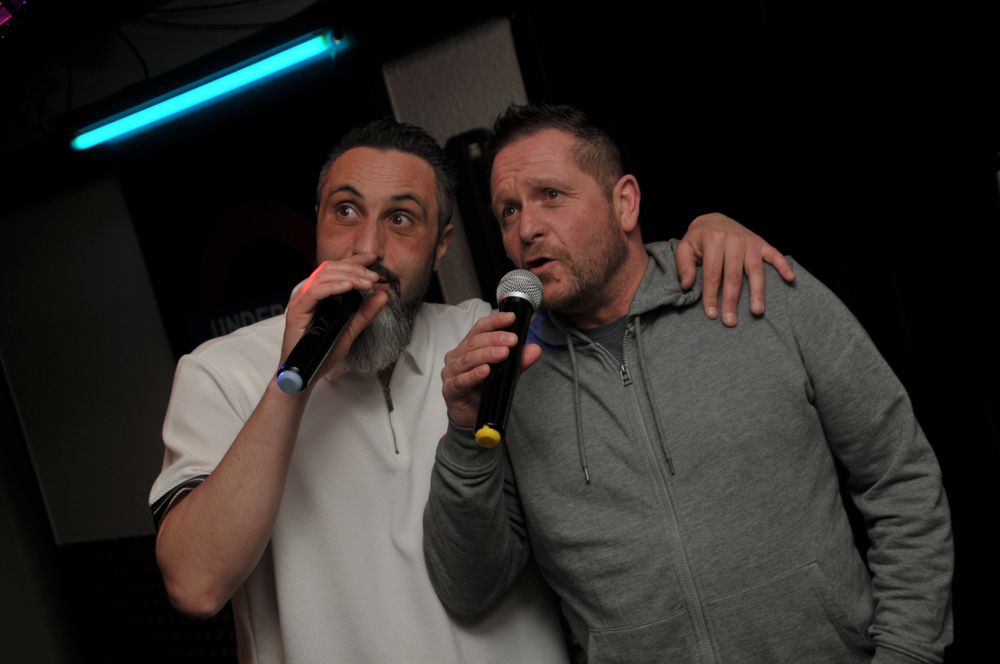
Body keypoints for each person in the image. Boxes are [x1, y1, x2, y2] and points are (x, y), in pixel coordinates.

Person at [150, 117, 791, 663]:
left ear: (440, 246)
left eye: (402, 219)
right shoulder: (220, 372)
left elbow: (606, 286)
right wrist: (293, 380)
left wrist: (707, 232)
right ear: (316, 220)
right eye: (345, 211)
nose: (367, 246)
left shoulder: (491, 334)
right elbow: (196, 585)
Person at [426, 104, 953, 664]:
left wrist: (907, 652)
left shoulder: (758, 289)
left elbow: (899, 476)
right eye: (508, 211)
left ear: (624, 202)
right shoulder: (511, 379)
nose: (526, 229)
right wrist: (465, 436)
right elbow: (469, 587)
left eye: (551, 195)